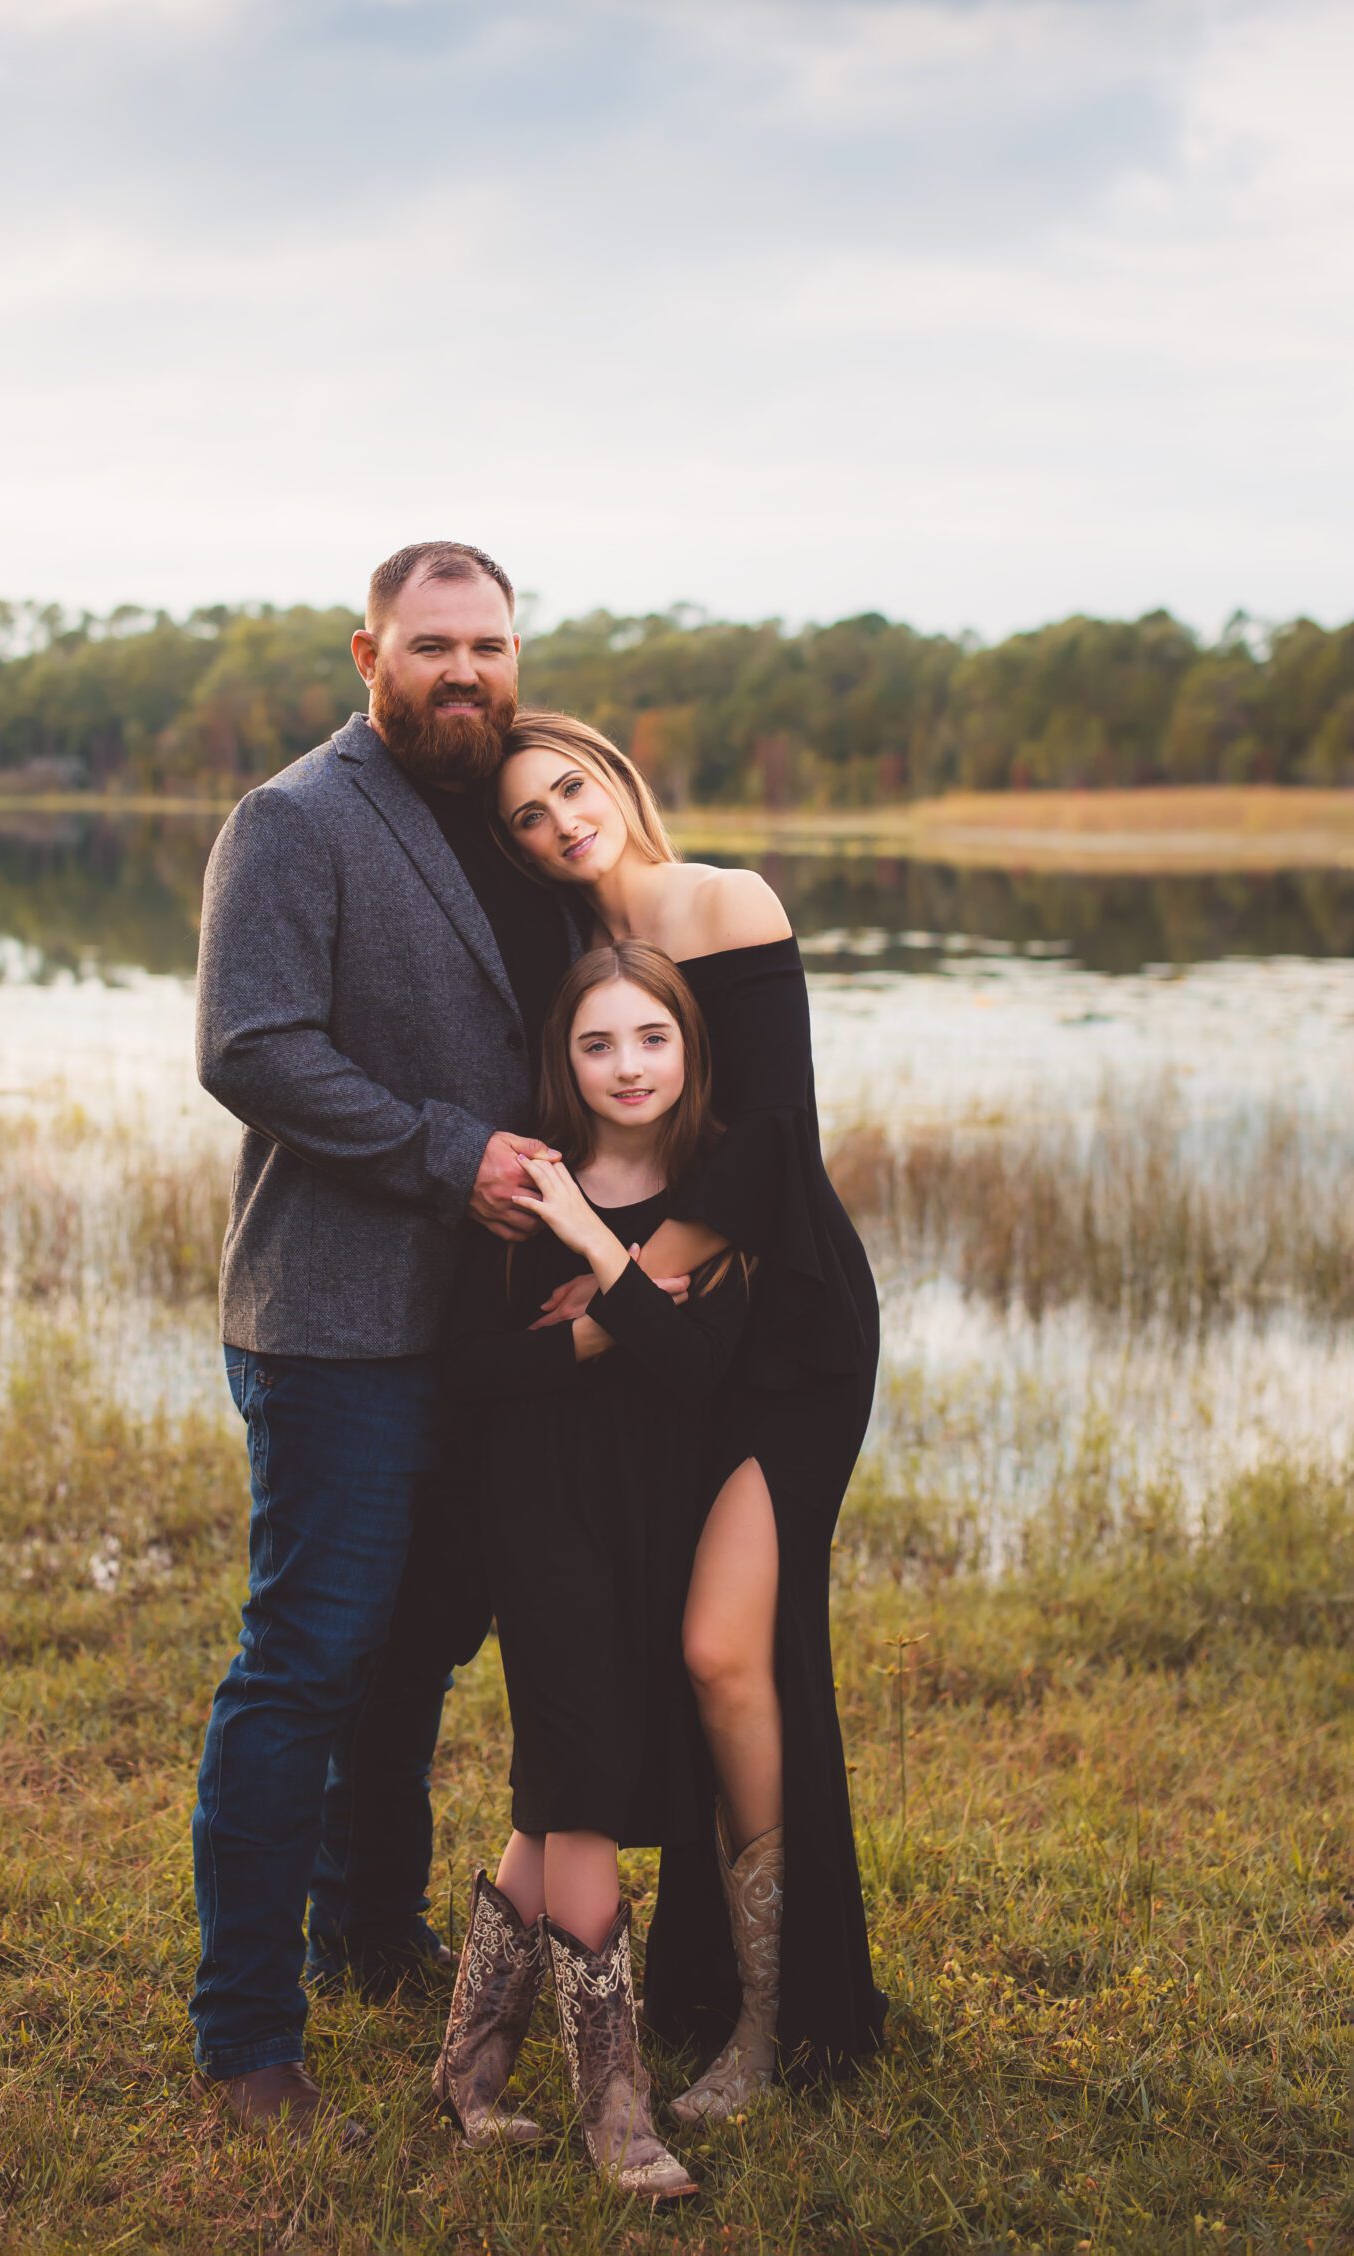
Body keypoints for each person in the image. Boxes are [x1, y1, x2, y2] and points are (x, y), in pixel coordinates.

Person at [187, 543, 584, 2138]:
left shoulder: (517, 817)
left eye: (487, 644)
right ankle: (245, 2042)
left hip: (486, 1328)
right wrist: (450, 1156)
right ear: (368, 654)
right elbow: (249, 1045)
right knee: (305, 1664)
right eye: (432, 646)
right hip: (337, 1322)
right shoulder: (293, 821)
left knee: (416, 1653)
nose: (465, 673)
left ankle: (366, 1931)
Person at [490, 711, 887, 2114]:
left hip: (780, 1334)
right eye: (525, 817)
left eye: (567, 789)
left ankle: (772, 2026)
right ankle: (711, 1989)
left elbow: (771, 1135)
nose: (556, 824)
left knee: (728, 1653)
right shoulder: (562, 954)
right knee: (695, 1650)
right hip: (675, 1354)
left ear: (611, 772)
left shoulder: (723, 901)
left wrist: (618, 1291)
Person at [431, 943, 751, 2200]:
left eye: (651, 1038)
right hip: (541, 1513)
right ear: (562, 1058)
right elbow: (467, 1373)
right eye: (598, 1043)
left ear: (688, 1046)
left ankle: (469, 2066)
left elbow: (697, 1372)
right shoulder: (525, 1191)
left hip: (657, 1516)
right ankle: (615, 2109)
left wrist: (607, 1273)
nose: (628, 1066)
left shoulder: (720, 1195)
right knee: (586, 1795)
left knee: (560, 1787)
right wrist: (596, 1315)